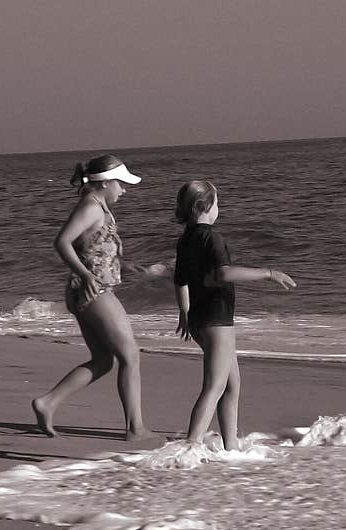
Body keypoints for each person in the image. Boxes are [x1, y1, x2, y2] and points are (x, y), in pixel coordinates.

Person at [32, 154, 161, 446]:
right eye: (122, 184)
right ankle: (135, 429)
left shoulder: (99, 207)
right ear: (106, 183)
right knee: (131, 356)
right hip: (93, 291)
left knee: (104, 361)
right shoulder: (91, 207)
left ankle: (48, 402)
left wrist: (129, 267)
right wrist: (88, 276)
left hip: (87, 290)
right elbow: (62, 242)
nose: (124, 190)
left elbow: (93, 250)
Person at [173, 181, 296, 451]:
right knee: (215, 386)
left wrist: (184, 311)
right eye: (217, 202)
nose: (219, 208)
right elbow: (224, 274)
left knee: (232, 384)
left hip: (200, 318)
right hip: (217, 318)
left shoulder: (186, 238)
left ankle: (231, 447)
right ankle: (189, 448)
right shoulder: (211, 237)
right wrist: (269, 273)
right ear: (204, 206)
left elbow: (180, 280)